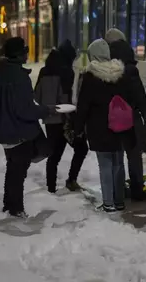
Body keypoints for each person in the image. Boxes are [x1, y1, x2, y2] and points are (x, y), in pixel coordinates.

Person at [0, 37, 55, 218]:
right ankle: (16, 210)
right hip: (19, 132)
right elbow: (25, 110)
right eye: (25, 50)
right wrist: (45, 111)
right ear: (18, 54)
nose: (27, 53)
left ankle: (10, 206)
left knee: (13, 169)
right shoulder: (19, 78)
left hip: (4, 133)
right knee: (18, 172)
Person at [73, 39, 133, 212]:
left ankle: (108, 202)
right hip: (120, 126)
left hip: (99, 127)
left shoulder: (91, 77)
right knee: (118, 163)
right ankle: (119, 200)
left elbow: (83, 106)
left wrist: (78, 128)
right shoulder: (120, 72)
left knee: (105, 164)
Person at [34, 42, 87, 193]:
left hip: (50, 120)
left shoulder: (44, 71)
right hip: (66, 120)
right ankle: (71, 180)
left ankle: (51, 188)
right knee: (82, 148)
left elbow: (37, 95)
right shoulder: (67, 72)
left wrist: (49, 107)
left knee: (54, 155)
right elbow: (69, 98)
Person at [107, 29, 146, 201]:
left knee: (116, 155)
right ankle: (136, 189)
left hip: (112, 118)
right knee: (134, 154)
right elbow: (140, 96)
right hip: (131, 118)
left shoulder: (108, 70)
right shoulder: (131, 70)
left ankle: (117, 190)